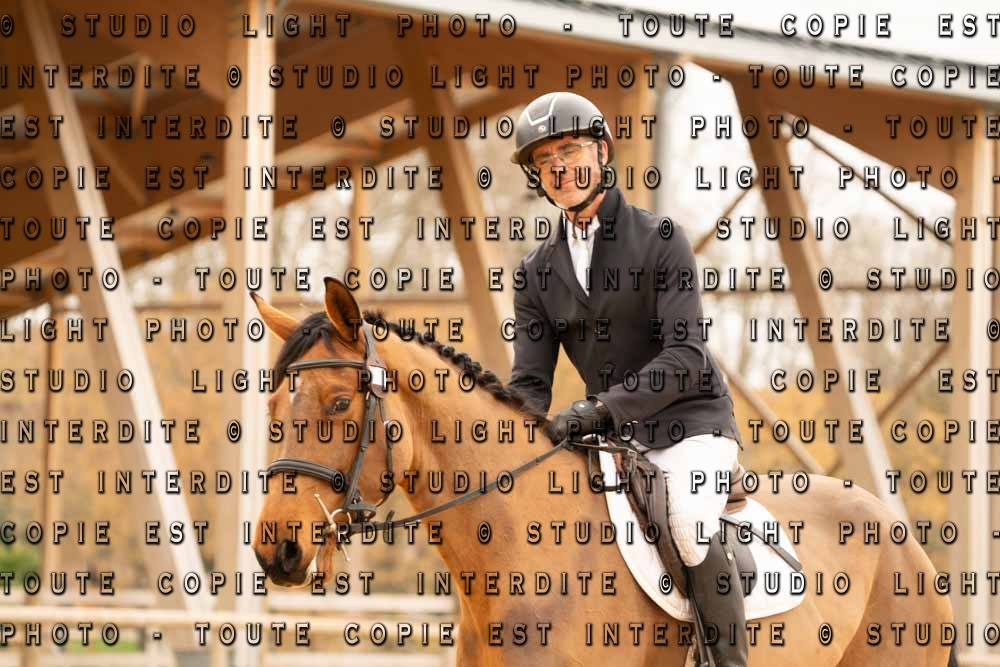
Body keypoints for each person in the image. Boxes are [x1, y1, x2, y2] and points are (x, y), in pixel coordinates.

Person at [506, 91, 748, 667]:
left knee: (685, 522)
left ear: (601, 151)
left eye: (569, 150)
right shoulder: (536, 272)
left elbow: (686, 356)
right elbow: (530, 386)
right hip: (614, 441)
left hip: (691, 425)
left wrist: (599, 410)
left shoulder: (660, 239)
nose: (558, 167)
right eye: (544, 160)